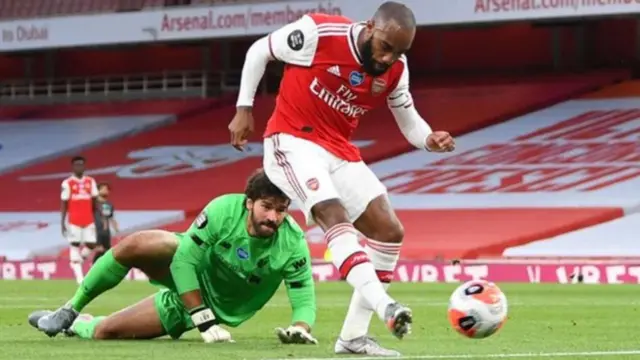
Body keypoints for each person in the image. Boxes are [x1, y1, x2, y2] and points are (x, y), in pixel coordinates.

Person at [228, 1, 456, 356]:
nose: (387, 59)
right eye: (385, 47)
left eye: (398, 52)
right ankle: (386, 307)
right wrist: (244, 108)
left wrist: (428, 139)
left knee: (389, 230)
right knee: (331, 212)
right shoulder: (319, 34)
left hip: (338, 150)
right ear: (370, 27)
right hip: (290, 140)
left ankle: (352, 338)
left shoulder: (397, 69)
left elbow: (408, 118)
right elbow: (260, 51)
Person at [29, 169, 317, 345]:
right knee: (138, 244)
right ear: (249, 203)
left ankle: (78, 325)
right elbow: (184, 261)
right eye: (267, 206)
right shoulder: (223, 211)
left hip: (201, 306)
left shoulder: (293, 242)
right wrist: (203, 321)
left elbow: (303, 297)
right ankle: (69, 310)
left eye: (281, 210)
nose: (274, 217)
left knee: (105, 332)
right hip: (190, 271)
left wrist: (300, 328)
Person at [61, 156, 99, 284]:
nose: (79, 167)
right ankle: (79, 278)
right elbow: (64, 203)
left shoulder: (90, 181)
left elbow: (94, 201)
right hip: (73, 220)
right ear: (73, 167)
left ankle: (78, 262)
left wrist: (97, 216)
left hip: (88, 219)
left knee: (92, 244)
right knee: (75, 244)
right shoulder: (67, 183)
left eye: (81, 165)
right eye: (77, 165)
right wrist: (62, 222)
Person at [93, 182, 119, 264]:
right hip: (97, 230)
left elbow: (110, 217)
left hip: (106, 232)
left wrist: (116, 228)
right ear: (98, 191)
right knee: (100, 249)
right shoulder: (94, 203)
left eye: (107, 189)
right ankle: (92, 265)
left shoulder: (108, 204)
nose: (106, 191)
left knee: (107, 252)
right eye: (104, 189)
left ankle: (99, 268)